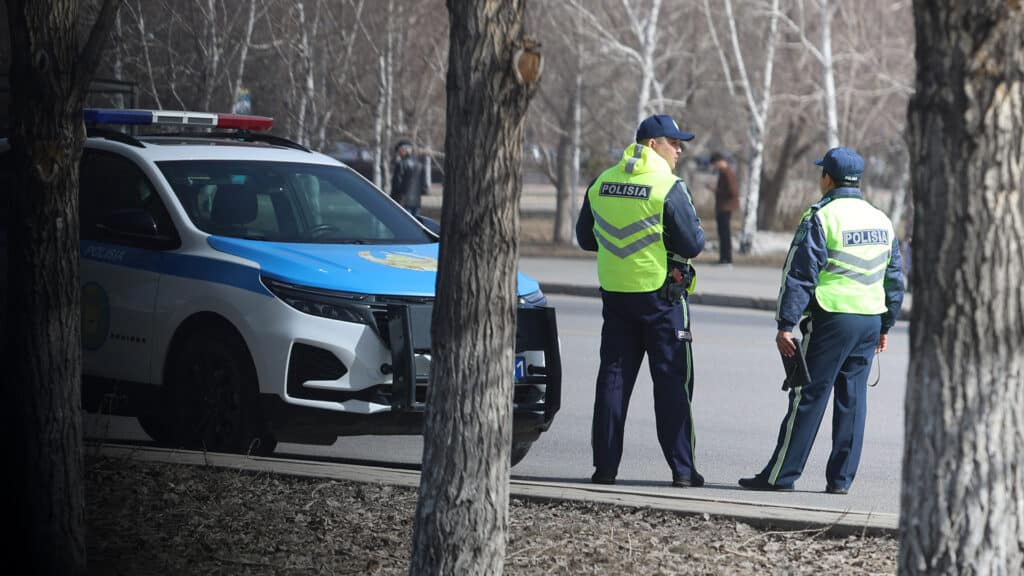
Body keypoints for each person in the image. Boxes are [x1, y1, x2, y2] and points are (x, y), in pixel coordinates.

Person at [738, 146, 905, 495]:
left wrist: (786, 324)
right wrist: (886, 324)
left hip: (832, 318)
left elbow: (799, 275)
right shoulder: (881, 219)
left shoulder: (821, 216)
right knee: (853, 401)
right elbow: (894, 279)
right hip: (869, 320)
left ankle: (781, 476)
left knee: (808, 396)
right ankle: (841, 480)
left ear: (827, 178)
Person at [576, 114, 706, 488]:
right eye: (674, 143)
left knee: (612, 381)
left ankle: (605, 469)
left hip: (616, 296)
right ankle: (683, 471)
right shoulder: (668, 187)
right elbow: (693, 244)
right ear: (652, 144)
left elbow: (586, 238)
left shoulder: (602, 182)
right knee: (672, 384)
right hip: (661, 298)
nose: (679, 150)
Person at [707, 152, 739, 264]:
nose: (715, 167)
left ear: (719, 162)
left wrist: (716, 190)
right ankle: (723, 257)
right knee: (722, 233)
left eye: (714, 164)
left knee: (725, 234)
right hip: (723, 206)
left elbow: (732, 192)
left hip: (726, 206)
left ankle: (727, 258)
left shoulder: (727, 172)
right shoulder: (723, 172)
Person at [390, 139, 428, 217]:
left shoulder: (401, 164)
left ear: (403, 150)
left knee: (402, 221)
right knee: (414, 222)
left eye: (399, 151)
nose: (399, 154)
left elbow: (396, 183)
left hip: (402, 201)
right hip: (417, 202)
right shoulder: (420, 164)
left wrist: (393, 198)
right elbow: (424, 185)